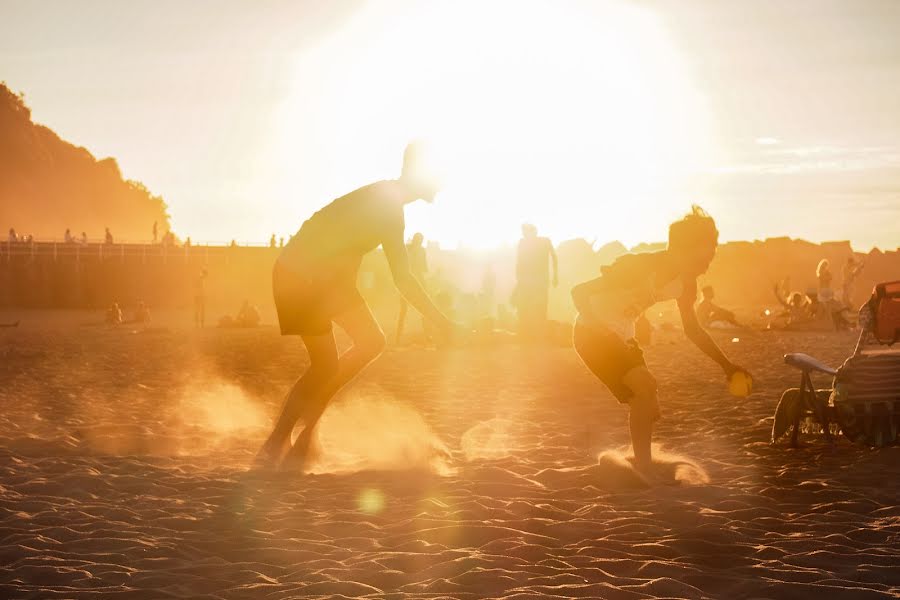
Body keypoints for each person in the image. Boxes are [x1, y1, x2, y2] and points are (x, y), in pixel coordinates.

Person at [258, 141, 460, 469]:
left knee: (370, 342)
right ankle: (278, 442)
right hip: (300, 275)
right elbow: (402, 278)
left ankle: (307, 430)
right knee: (326, 365)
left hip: (325, 279)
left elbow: (351, 249)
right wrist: (442, 322)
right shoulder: (386, 204)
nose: (444, 181)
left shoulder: (389, 203)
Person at [571, 206, 750, 475]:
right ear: (682, 250)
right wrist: (599, 328)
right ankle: (644, 470)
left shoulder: (686, 285)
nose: (710, 260)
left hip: (624, 338)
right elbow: (579, 292)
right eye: (706, 252)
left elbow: (693, 330)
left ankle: (631, 463)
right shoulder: (640, 266)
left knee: (650, 408)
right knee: (644, 387)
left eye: (713, 252)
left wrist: (727, 366)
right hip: (591, 332)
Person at [513, 224, 558, 341]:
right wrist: (518, 280)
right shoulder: (523, 242)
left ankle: (538, 334)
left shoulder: (544, 241)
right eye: (523, 232)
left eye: (526, 232)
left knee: (540, 306)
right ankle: (526, 335)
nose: (524, 234)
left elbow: (554, 256)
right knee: (525, 307)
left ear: (534, 232)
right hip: (528, 280)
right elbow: (519, 261)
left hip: (539, 280)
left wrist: (555, 275)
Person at [394, 232, 429, 343]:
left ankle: (399, 338)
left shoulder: (409, 249)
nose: (419, 242)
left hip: (410, 282)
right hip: (412, 282)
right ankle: (399, 338)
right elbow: (424, 268)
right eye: (419, 240)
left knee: (406, 311)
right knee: (420, 310)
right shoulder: (417, 250)